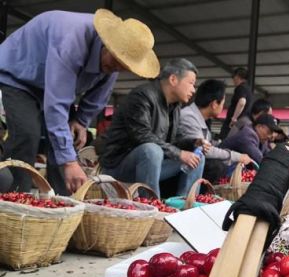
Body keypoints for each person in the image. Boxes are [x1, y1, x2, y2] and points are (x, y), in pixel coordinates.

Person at [0, 9, 159, 194]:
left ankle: (64, 204)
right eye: (115, 60)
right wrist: (69, 162)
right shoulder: (71, 39)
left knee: (70, 137)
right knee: (27, 134)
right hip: (19, 76)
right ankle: (15, 200)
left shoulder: (112, 66)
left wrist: (81, 121)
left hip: (52, 85)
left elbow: (99, 95)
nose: (116, 68)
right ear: (106, 43)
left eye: (123, 66)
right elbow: (56, 104)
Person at [100, 58, 203, 198]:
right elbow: (142, 136)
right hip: (119, 167)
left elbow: (170, 143)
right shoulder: (142, 96)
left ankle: (184, 205)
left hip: (151, 166)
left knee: (197, 157)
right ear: (173, 79)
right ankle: (151, 205)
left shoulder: (174, 107)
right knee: (152, 150)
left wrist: (193, 143)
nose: (193, 89)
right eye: (191, 83)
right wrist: (179, 154)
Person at [179, 79, 252, 183]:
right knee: (215, 166)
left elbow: (208, 144)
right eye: (222, 102)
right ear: (214, 104)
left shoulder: (202, 119)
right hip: (180, 165)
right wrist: (236, 156)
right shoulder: (189, 117)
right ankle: (189, 196)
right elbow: (204, 150)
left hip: (189, 164)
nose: (223, 106)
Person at [220, 113, 284, 165]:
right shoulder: (247, 135)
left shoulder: (262, 138)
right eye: (270, 131)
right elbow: (261, 160)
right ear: (259, 127)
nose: (271, 136)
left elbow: (269, 155)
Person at [218, 67, 252, 140]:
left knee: (225, 140)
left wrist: (234, 118)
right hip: (243, 121)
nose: (233, 79)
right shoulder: (248, 88)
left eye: (233, 76)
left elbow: (242, 102)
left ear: (238, 76)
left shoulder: (241, 87)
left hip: (235, 122)